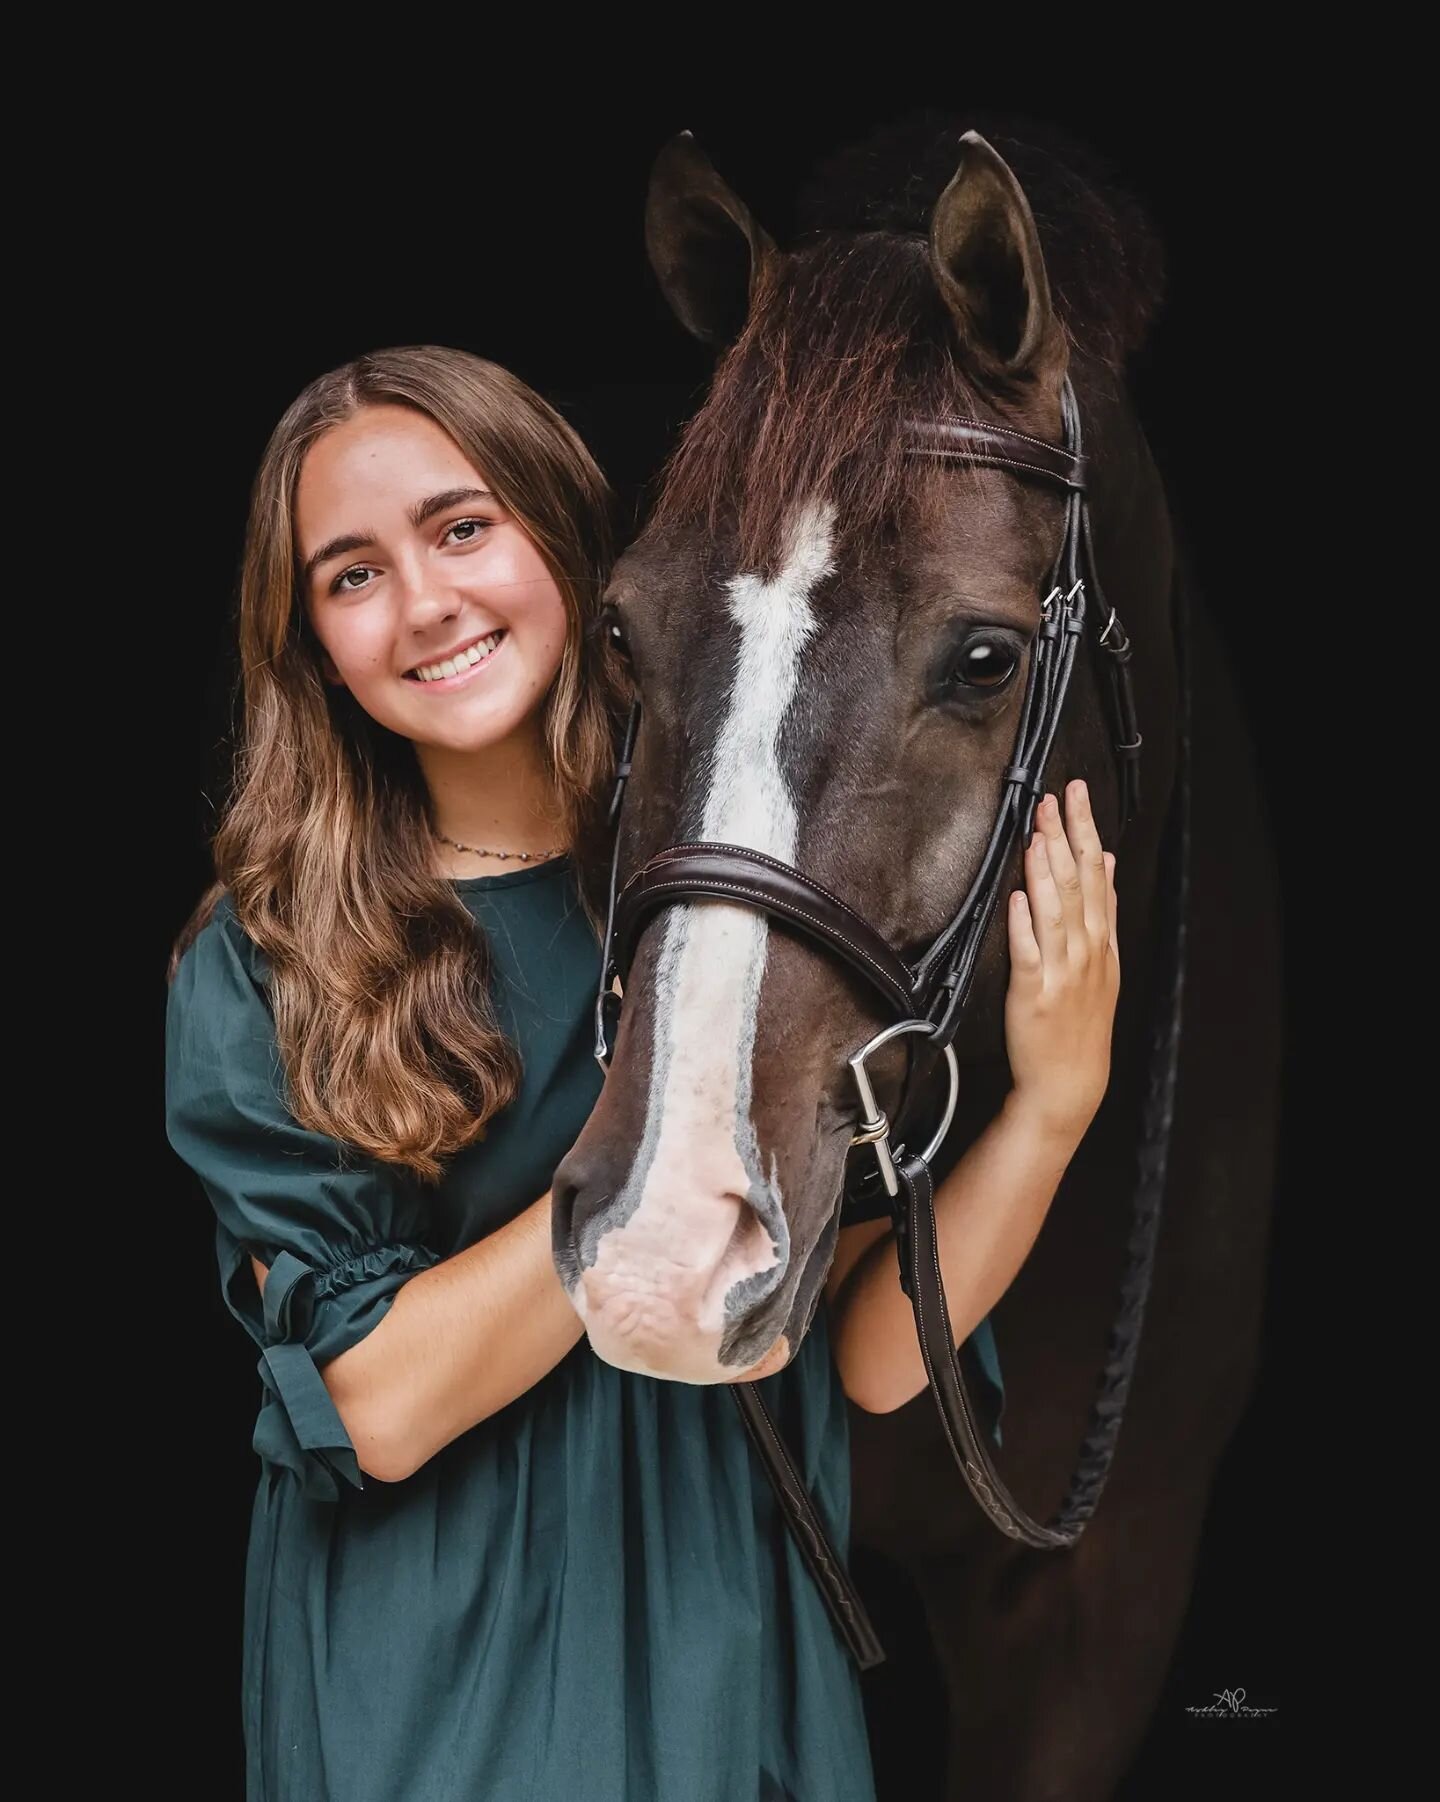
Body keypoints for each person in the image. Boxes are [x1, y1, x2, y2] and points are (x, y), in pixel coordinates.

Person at [165, 343, 1121, 1802]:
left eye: (460, 526)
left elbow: (866, 1353)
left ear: (560, 530)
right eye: (349, 574)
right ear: (307, 638)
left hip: (735, 1655)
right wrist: (666, 1167)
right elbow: (373, 1406)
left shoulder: (746, 897)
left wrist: (1050, 1111)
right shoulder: (273, 956)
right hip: (440, 1690)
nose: (424, 603)